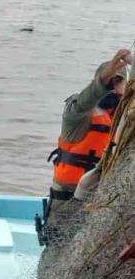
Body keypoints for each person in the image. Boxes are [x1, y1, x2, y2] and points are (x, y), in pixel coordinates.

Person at [45, 49, 131, 229]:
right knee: (60, 246)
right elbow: (86, 99)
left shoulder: (125, 119)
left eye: (119, 82)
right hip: (67, 199)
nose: (114, 87)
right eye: (110, 81)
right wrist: (102, 82)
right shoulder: (77, 114)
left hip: (102, 200)